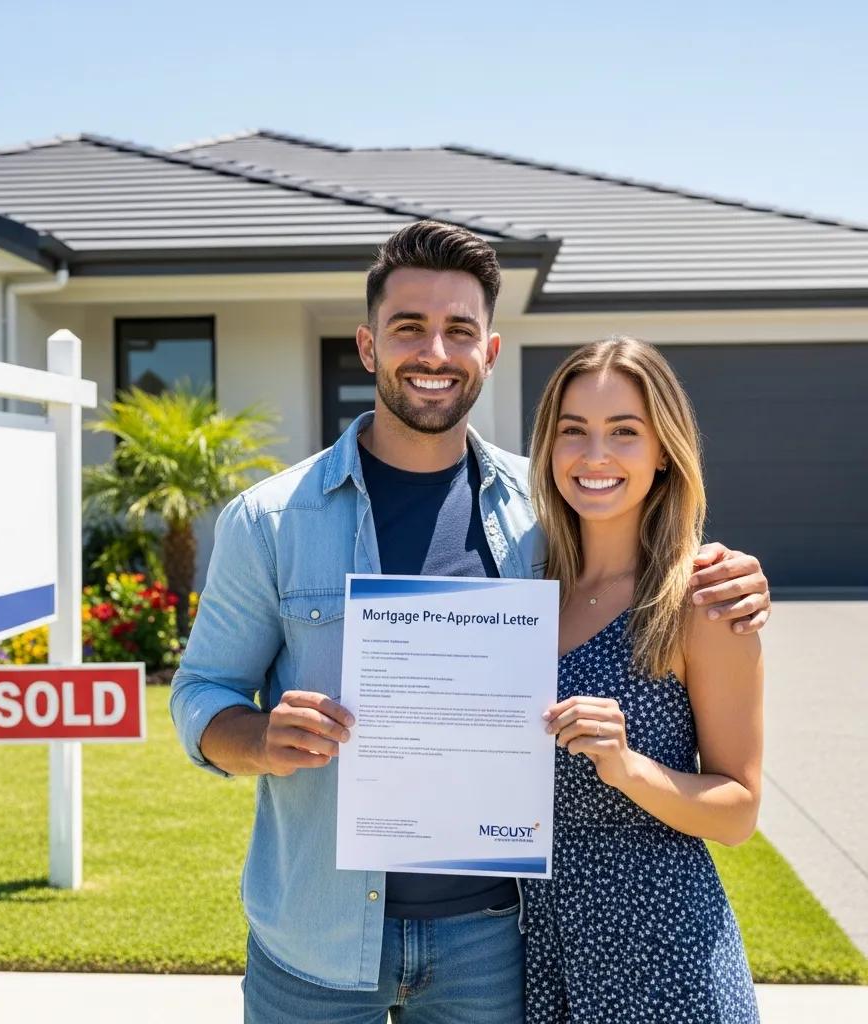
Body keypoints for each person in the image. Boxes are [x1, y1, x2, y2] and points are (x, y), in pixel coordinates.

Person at [170, 220, 771, 1024]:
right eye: (408, 327)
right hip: (315, 936)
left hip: (494, 942)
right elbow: (201, 692)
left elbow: (641, 551)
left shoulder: (545, 513)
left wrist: (725, 572)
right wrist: (258, 739)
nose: (435, 351)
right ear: (368, 346)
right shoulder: (271, 520)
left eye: (459, 330)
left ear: (489, 352)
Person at [522, 336, 762, 1022]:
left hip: (663, 959)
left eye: (624, 431)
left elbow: (740, 810)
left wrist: (628, 768)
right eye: (574, 431)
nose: (595, 455)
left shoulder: (702, 599)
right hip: (539, 948)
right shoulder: (528, 590)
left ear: (663, 452)